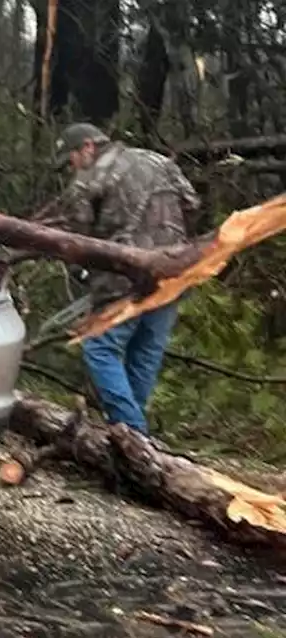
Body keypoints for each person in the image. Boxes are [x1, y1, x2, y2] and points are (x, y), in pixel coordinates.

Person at [43, 123, 201, 434]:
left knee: (100, 349)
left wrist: (83, 270)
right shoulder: (157, 161)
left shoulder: (88, 180)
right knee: (145, 352)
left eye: (71, 158)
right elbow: (192, 203)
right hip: (172, 271)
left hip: (122, 279)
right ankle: (134, 440)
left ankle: (132, 433)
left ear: (87, 147)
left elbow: (78, 238)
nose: (71, 167)